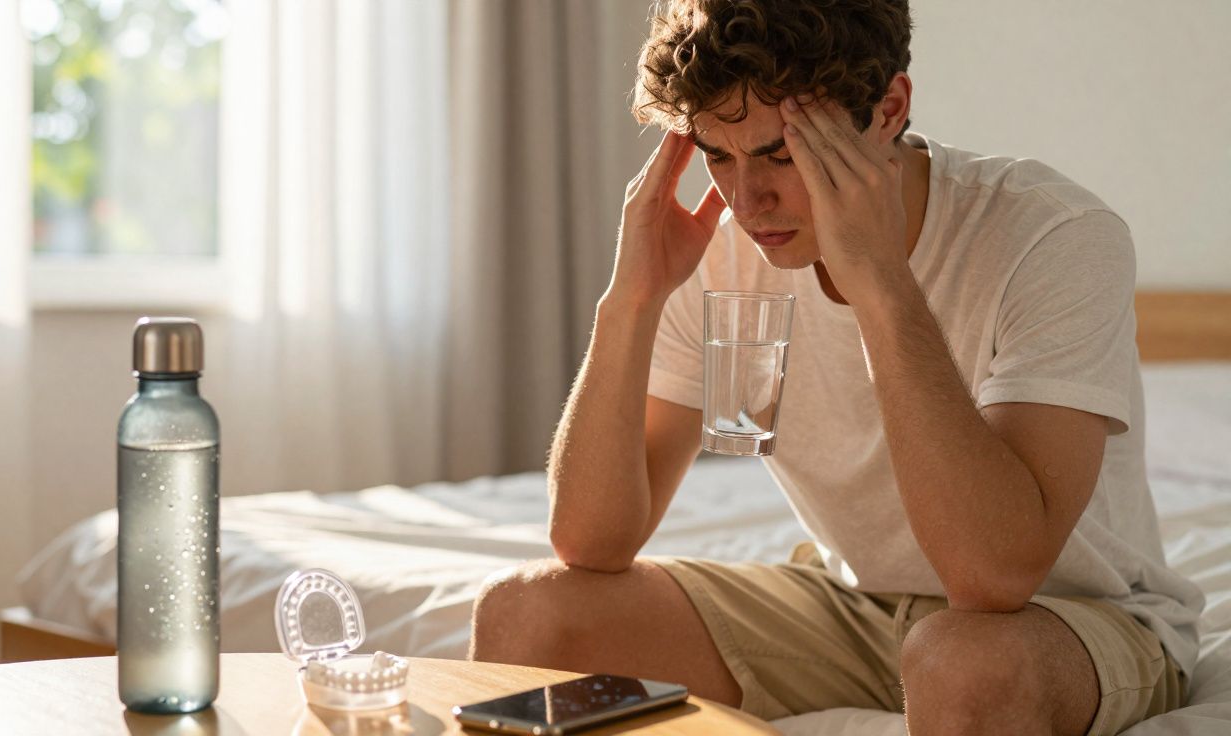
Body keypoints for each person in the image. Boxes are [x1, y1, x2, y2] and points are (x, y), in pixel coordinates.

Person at [468, 1, 1204, 734]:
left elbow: (995, 575)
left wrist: (879, 280)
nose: (747, 202)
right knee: (527, 612)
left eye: (782, 155)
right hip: (853, 607)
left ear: (889, 107)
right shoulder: (722, 247)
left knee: (962, 663)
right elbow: (591, 542)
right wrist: (629, 301)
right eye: (718, 156)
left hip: (1064, 619)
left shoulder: (1052, 236)